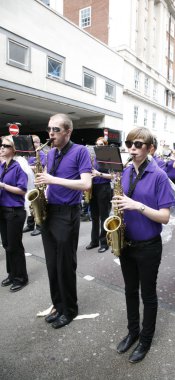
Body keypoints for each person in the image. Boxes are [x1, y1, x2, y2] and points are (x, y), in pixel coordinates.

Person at [113, 127, 175, 363]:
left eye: (138, 144)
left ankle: (146, 340)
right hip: (127, 243)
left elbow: (165, 217)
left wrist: (135, 205)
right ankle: (133, 332)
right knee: (130, 291)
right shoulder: (125, 172)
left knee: (147, 295)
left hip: (149, 245)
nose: (132, 148)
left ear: (150, 149)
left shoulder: (159, 175)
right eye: (130, 144)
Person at [35, 113, 92, 329]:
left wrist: (52, 179)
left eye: (56, 130)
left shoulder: (80, 152)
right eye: (49, 129)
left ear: (68, 131)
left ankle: (69, 310)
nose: (51, 133)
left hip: (67, 213)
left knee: (65, 265)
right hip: (50, 210)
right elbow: (49, 182)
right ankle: (58, 305)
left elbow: (86, 184)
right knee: (51, 264)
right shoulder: (49, 153)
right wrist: (42, 196)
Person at [0, 135, 29, 292]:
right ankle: (12, 274)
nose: (2, 147)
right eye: (1, 145)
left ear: (13, 149)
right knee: (7, 245)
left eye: (6, 145)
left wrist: (3, 185)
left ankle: (21, 277)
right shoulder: (2, 165)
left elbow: (22, 190)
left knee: (15, 246)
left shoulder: (18, 167)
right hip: (3, 210)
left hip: (14, 211)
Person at [86, 137, 113, 253]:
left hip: (104, 188)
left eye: (101, 144)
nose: (98, 146)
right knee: (94, 216)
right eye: (97, 145)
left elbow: (113, 176)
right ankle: (94, 241)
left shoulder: (109, 158)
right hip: (94, 188)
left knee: (104, 216)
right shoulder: (93, 158)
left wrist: (99, 174)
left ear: (105, 145)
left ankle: (104, 242)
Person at [23, 135, 47, 236]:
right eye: (31, 142)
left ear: (39, 143)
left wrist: (27, 167)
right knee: (29, 204)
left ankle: (39, 226)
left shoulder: (40, 153)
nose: (33, 144)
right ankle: (30, 224)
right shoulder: (28, 154)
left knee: (37, 204)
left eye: (35, 142)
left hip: (38, 181)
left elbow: (42, 166)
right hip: (29, 181)